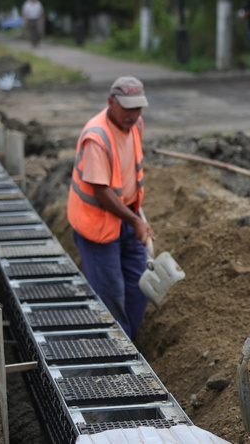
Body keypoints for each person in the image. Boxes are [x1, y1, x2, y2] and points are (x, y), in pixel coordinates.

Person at [67, 76, 154, 341]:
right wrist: (136, 222)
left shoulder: (136, 124)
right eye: (127, 108)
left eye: (137, 108)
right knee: (111, 295)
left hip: (126, 216)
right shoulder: (96, 137)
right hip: (97, 226)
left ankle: (131, 346)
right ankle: (117, 358)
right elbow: (102, 192)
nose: (133, 114)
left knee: (140, 287)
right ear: (110, 102)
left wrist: (137, 217)